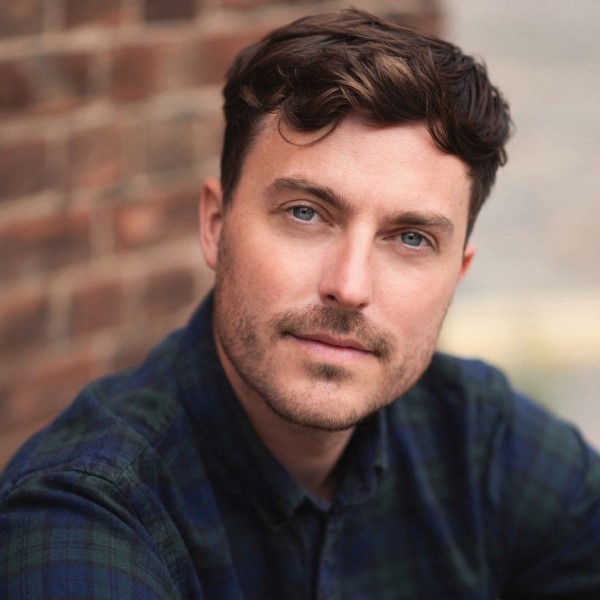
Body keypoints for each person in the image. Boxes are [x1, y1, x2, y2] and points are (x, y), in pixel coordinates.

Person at [1, 8, 599, 599]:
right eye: (306, 213)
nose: (351, 286)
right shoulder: (83, 513)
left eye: (412, 238)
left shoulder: (480, 442)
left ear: (458, 274)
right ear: (216, 225)